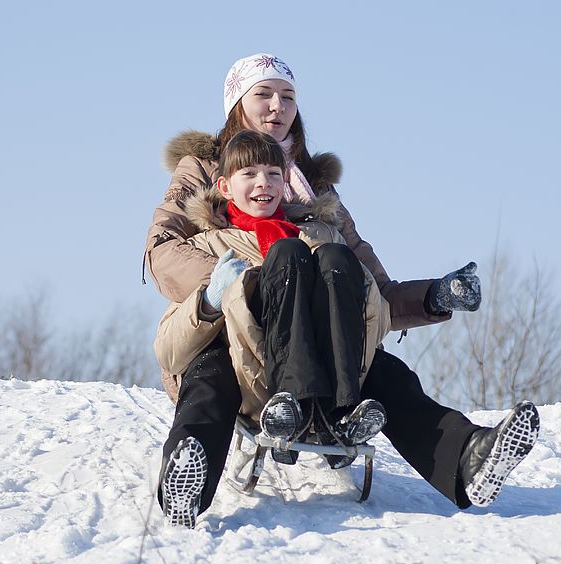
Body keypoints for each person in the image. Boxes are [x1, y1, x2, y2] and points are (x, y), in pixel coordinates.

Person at [145, 53, 540, 528]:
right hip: (235, 333)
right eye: (263, 95)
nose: (277, 107)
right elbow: (165, 253)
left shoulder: (316, 194)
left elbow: (368, 286)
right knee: (211, 383)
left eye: (288, 97)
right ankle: (189, 477)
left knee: (385, 373)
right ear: (237, 106)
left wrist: (434, 295)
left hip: (315, 340)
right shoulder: (204, 169)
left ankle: (466, 459)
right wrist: (248, 283)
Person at [155, 129, 390, 472]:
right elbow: (167, 350)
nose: (263, 183)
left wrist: (427, 298)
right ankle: (191, 471)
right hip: (252, 369)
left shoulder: (321, 234)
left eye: (273, 175)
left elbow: (376, 309)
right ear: (224, 187)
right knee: (209, 379)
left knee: (336, 260)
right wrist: (209, 298)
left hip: (332, 369)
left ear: (286, 183)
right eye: (249, 174)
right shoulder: (211, 244)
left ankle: (343, 416)